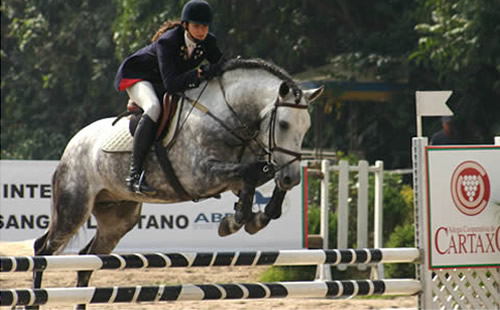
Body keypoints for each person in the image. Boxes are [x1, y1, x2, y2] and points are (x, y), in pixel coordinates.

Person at [114, 0, 223, 194]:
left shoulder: (208, 42)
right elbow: (171, 84)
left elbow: (222, 65)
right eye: (196, 26)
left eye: (205, 26)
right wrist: (198, 74)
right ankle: (134, 175)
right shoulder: (168, 42)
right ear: (185, 25)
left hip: (165, 80)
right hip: (140, 77)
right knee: (154, 108)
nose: (201, 31)